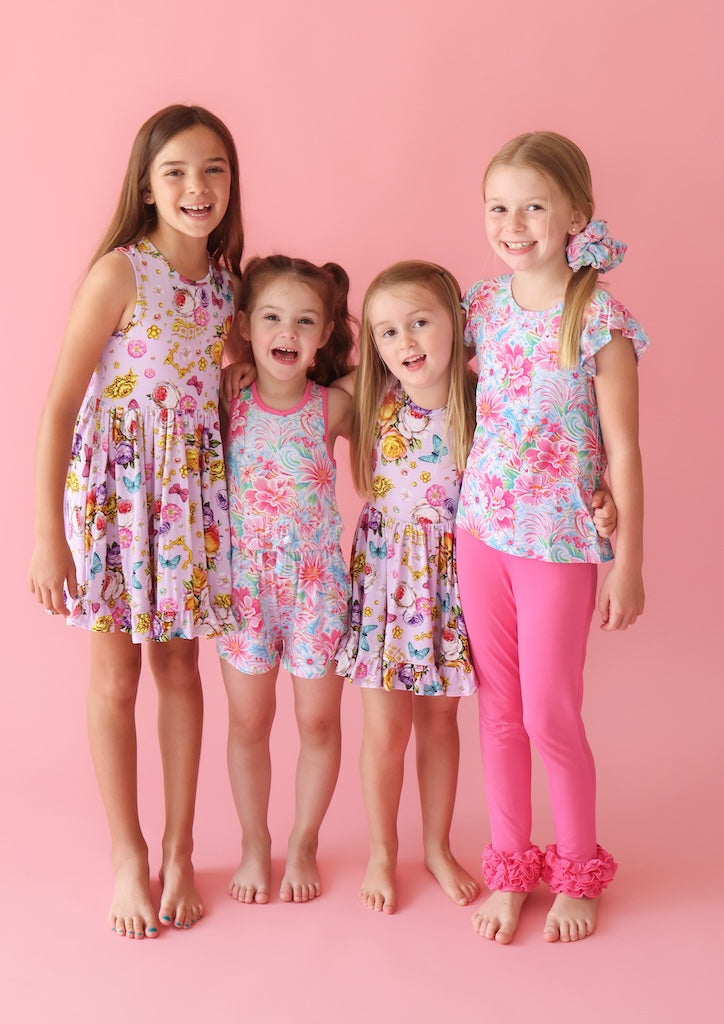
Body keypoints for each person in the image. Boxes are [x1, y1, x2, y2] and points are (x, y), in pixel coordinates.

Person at [28, 104, 245, 939]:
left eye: (214, 170)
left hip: (188, 505)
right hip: (116, 501)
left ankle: (184, 850)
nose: (198, 187)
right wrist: (49, 533)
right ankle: (130, 852)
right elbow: (56, 409)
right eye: (177, 172)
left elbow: (235, 377)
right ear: (147, 188)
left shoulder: (227, 288)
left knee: (182, 670)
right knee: (117, 680)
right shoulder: (119, 273)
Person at [456, 131, 649, 945]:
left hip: (560, 545)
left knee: (550, 714)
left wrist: (629, 557)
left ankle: (576, 869)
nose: (514, 222)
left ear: (575, 212)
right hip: (481, 534)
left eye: (534, 205)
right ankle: (510, 863)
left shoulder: (598, 316)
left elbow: (627, 445)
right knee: (498, 713)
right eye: (499, 206)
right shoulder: (482, 306)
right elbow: (444, 393)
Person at [334, 261, 481, 915]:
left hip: (451, 582)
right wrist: (248, 373)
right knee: (383, 730)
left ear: (455, 321)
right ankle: (381, 852)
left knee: (442, 721)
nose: (406, 342)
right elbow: (292, 391)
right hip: (386, 582)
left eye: (419, 322)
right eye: (388, 331)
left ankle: (437, 846)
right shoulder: (367, 399)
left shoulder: (482, 402)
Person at [217, 255, 354, 906]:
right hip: (245, 589)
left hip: (317, 588)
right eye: (272, 317)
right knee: (249, 723)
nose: (288, 332)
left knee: (318, 722)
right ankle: (254, 843)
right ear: (246, 325)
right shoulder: (227, 398)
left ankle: (303, 840)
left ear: (325, 333)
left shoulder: (335, 405)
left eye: (305, 321)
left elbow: (410, 396)